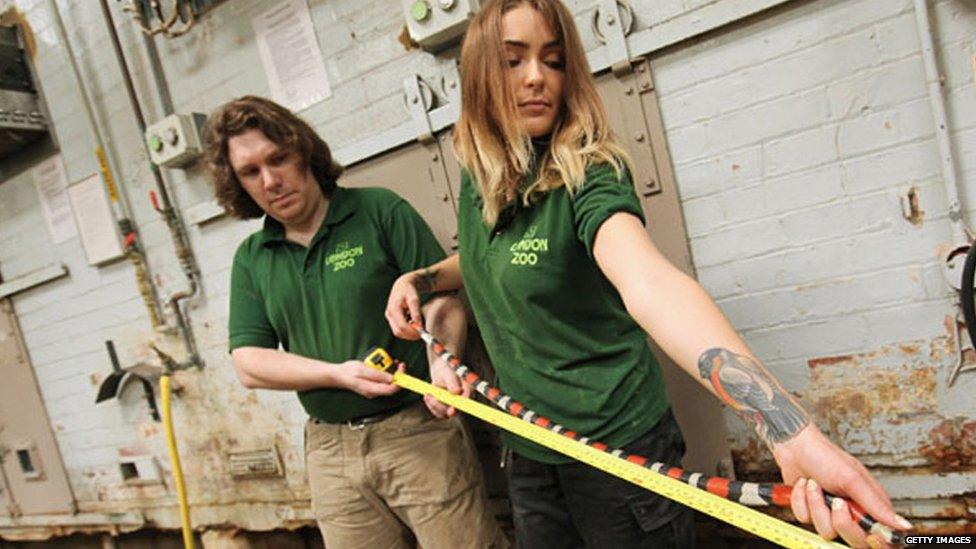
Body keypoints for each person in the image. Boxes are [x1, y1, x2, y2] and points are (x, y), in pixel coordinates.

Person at [385, 1, 910, 548]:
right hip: (530, 451)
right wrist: (421, 281)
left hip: (617, 456)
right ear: (479, 78)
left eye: (554, 59)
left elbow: (648, 283)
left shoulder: (590, 172)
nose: (537, 77)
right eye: (514, 61)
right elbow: (485, 257)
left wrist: (787, 428)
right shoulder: (484, 177)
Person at [204, 96, 505, 549]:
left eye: (278, 159)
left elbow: (444, 300)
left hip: (415, 428)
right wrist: (336, 375)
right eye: (250, 172)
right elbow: (248, 362)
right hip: (330, 451)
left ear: (302, 151)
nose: (270, 180)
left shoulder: (378, 211)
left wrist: (443, 359)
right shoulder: (252, 259)